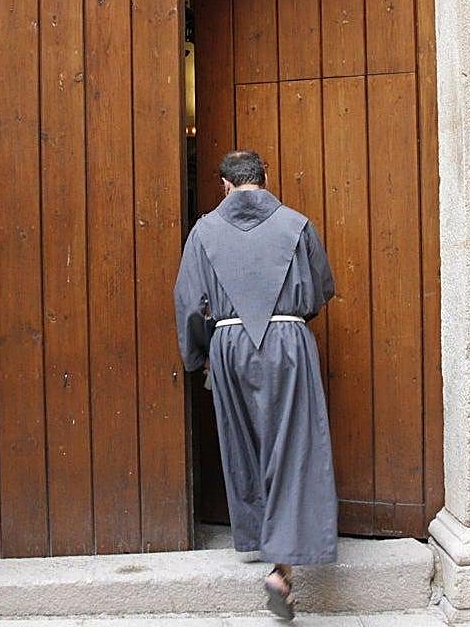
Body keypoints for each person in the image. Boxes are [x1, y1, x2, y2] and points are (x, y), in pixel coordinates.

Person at [173, 149, 337, 621]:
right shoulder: (297, 225)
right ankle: (281, 568)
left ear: (225, 185)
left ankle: (262, 537)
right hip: (287, 340)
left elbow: (189, 303)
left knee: (244, 444)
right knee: (294, 445)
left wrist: (199, 356)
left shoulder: (204, 230)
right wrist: (286, 320)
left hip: (228, 343)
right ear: (265, 177)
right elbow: (320, 289)